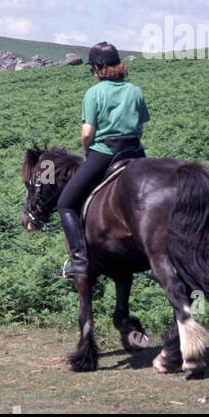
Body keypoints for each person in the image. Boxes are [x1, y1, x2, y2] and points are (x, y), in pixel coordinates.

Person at [55, 41, 150, 278]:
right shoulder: (135, 90)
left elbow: (87, 133)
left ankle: (79, 260)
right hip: (135, 153)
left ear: (97, 67)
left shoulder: (94, 92)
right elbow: (139, 125)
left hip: (106, 153)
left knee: (65, 203)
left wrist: (88, 152)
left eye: (92, 68)